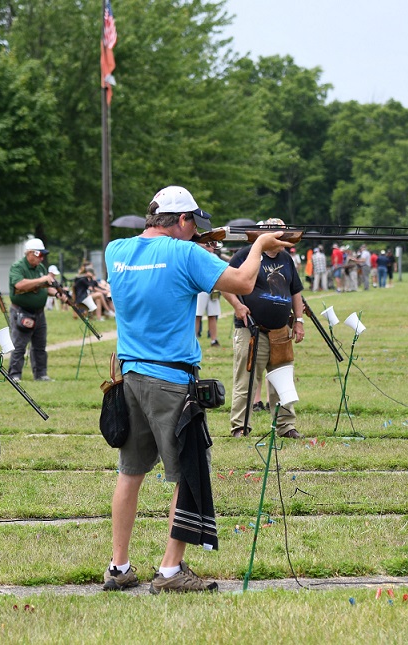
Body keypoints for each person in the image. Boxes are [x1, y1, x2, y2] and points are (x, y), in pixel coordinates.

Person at [103, 185, 291, 595]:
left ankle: (119, 566)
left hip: (129, 376)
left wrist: (199, 249)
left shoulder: (115, 251)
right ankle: (170, 572)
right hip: (171, 381)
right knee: (189, 472)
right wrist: (259, 244)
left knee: (130, 473)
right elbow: (242, 281)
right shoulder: (186, 253)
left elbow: (165, 266)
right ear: (184, 221)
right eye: (194, 224)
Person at [221, 217, 305, 439]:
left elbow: (296, 291)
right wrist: (238, 306)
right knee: (246, 381)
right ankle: (240, 426)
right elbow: (222, 282)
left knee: (282, 382)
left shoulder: (287, 260)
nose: (283, 237)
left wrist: (298, 321)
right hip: (252, 330)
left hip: (281, 332)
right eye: (277, 233)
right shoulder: (246, 255)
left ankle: (287, 426)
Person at [8, 238, 66, 383]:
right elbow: (19, 284)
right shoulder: (18, 267)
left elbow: (46, 287)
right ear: (30, 253)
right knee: (19, 345)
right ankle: (14, 374)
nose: (42, 258)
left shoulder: (40, 269)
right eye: (39, 255)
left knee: (40, 345)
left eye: (43, 256)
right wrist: (41, 280)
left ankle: (41, 374)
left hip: (39, 312)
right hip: (22, 311)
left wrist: (58, 293)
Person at [195, 240, 222, 346]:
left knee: (213, 315)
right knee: (197, 315)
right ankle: (194, 339)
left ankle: (214, 339)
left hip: (212, 290)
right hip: (200, 290)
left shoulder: (214, 257)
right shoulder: (198, 256)